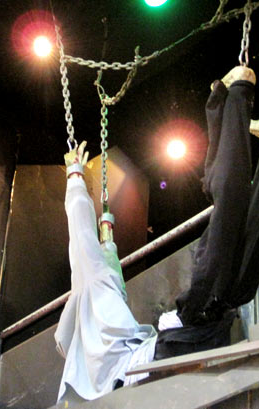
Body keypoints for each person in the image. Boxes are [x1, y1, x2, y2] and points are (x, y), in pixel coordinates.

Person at [154, 65, 259, 359]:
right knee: (256, 229)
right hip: (216, 317)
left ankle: (240, 96)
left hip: (194, 319)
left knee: (233, 212)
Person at [54, 141, 157, 405]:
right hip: (123, 367)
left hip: (118, 371)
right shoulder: (95, 277)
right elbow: (80, 226)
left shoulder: (105, 285)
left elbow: (109, 262)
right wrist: (75, 177)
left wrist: (107, 229)